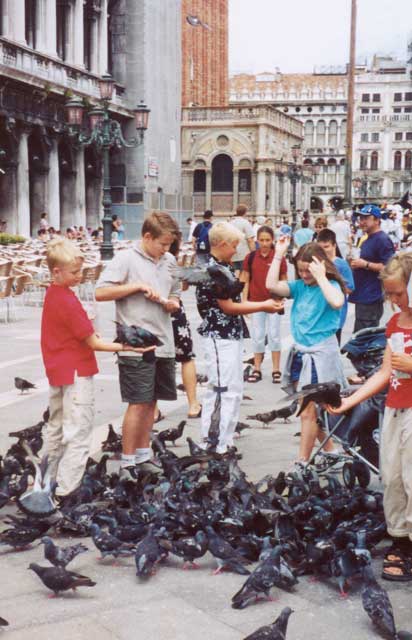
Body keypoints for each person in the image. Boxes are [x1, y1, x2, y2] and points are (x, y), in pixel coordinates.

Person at [41, 238, 151, 501]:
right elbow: (92, 342)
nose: (80, 277)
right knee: (79, 433)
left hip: (58, 371)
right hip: (76, 372)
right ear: (57, 272)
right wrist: (128, 348)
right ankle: (67, 492)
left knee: (55, 429)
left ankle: (43, 484)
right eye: (75, 272)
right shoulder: (68, 301)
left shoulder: (53, 294)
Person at [328, 253, 412, 581]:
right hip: (393, 408)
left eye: (398, 294)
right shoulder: (394, 324)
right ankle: (400, 536)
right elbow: (384, 373)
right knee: (390, 476)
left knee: (411, 478)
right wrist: (350, 402)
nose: (392, 301)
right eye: (388, 295)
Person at [95, 212, 180, 478]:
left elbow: (175, 292)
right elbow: (101, 291)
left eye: (169, 245)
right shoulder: (125, 259)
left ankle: (144, 455)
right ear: (147, 236)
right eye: (162, 244)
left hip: (163, 339)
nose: (166, 250)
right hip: (136, 343)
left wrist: (173, 303)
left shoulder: (169, 261)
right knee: (138, 402)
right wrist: (136, 286)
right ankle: (127, 462)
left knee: (151, 402)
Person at [196, 222, 282, 454]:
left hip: (228, 335)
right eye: (234, 245)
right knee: (221, 389)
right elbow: (228, 307)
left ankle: (225, 440)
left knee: (233, 389)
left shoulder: (221, 266)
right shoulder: (213, 269)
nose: (236, 250)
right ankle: (213, 443)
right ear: (222, 244)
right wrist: (263, 305)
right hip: (218, 336)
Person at [266, 240, 347, 469]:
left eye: (307, 270)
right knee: (309, 411)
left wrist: (321, 276)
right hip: (302, 353)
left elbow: (337, 301)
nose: (303, 275)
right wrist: (278, 254)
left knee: (307, 412)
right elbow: (271, 285)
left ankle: (302, 461)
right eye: (300, 270)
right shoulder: (300, 287)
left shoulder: (329, 285)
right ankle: (331, 450)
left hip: (320, 354)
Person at [240, 225, 287, 383]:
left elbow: (283, 278)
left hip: (274, 302)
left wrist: (282, 298)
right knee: (258, 336)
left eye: (267, 240)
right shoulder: (250, 257)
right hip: (256, 302)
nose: (265, 243)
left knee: (274, 335)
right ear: (257, 240)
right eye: (262, 240)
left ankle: (276, 369)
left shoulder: (278, 257)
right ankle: (257, 368)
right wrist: (244, 301)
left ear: (272, 240)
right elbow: (244, 279)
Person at [169, 233, 202, 418]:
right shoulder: (175, 264)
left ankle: (155, 409)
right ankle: (193, 404)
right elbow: (183, 287)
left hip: (153, 313)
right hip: (175, 312)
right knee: (186, 357)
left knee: (154, 359)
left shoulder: (151, 263)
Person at [348, 204, 394, 333]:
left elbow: (389, 268)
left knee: (364, 337)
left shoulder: (382, 240)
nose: (362, 222)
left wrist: (365, 264)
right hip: (363, 294)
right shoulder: (367, 238)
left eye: (366, 218)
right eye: (360, 218)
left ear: (377, 220)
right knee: (360, 335)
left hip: (371, 295)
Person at [317, 228, 354, 345]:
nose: (323, 251)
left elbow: (350, 289)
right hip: (320, 313)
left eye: (326, 247)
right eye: (320, 248)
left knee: (333, 347)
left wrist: (332, 284)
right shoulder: (317, 263)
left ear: (334, 245)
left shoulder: (341, 264)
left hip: (336, 316)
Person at [230, 204, 255, 274]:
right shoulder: (245, 223)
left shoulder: (230, 223)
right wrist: (253, 253)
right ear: (245, 212)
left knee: (235, 275)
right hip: (244, 254)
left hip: (232, 254)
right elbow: (250, 240)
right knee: (244, 275)